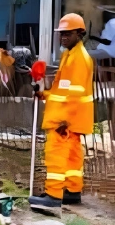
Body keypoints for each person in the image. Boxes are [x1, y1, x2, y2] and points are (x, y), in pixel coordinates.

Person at [29, 13, 94, 211]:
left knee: (55, 155)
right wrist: (45, 94)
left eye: (68, 34)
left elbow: (75, 94)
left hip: (64, 120)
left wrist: (64, 121)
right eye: (61, 34)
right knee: (73, 156)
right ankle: (73, 191)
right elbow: (63, 90)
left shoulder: (79, 59)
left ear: (79, 34)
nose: (63, 37)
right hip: (72, 119)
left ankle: (53, 195)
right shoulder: (69, 55)